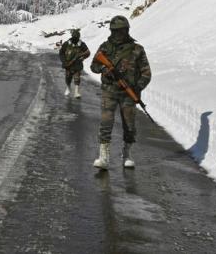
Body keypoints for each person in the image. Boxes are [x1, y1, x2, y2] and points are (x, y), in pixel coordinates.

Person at [89, 15, 151, 170]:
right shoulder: (105, 47)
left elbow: (146, 73)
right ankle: (103, 156)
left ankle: (127, 153)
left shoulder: (137, 49)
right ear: (111, 31)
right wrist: (104, 69)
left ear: (127, 30)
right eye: (116, 31)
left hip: (128, 94)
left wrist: (137, 87)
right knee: (106, 122)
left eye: (122, 31)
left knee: (129, 125)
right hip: (109, 91)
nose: (119, 34)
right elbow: (93, 66)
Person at [58, 29, 90, 98]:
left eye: (76, 37)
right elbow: (61, 53)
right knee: (68, 78)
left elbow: (88, 52)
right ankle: (68, 88)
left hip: (77, 64)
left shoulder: (81, 44)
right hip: (68, 63)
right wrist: (64, 61)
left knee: (77, 78)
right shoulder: (67, 43)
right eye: (74, 36)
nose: (75, 38)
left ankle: (76, 92)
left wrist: (83, 57)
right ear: (72, 36)